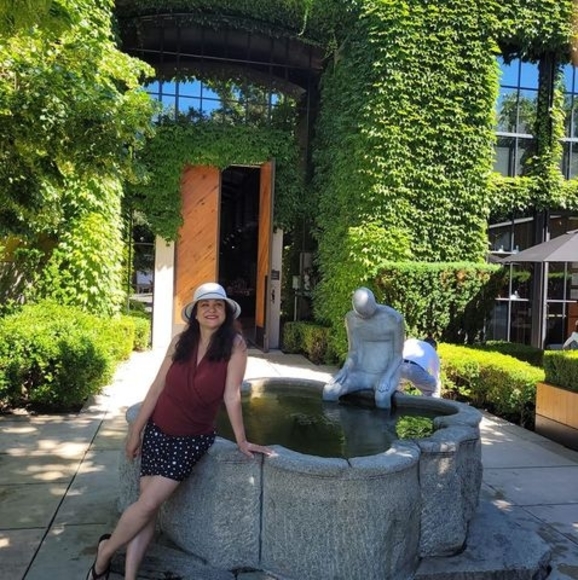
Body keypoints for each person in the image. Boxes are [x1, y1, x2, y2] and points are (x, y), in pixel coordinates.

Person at [86, 282, 273, 580]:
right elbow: (156, 388)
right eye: (204, 305)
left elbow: (231, 395)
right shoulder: (180, 342)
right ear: (195, 313)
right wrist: (136, 431)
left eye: (218, 305)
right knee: (147, 509)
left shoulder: (235, 346)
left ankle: (105, 552)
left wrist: (241, 440)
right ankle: (130, 576)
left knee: (148, 503)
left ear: (226, 312)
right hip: (158, 430)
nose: (211, 310)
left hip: (191, 439)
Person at [323, 287, 405, 409]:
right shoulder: (351, 319)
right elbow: (353, 351)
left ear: (373, 303)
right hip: (360, 373)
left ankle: (384, 422)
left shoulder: (393, 319)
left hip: (385, 372)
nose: (365, 317)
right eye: (361, 313)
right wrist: (345, 370)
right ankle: (334, 420)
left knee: (382, 397)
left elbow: (398, 356)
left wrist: (386, 377)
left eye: (367, 312)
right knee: (329, 391)